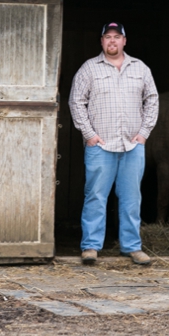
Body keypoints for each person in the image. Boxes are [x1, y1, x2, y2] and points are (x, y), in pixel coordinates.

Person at [68, 22, 159, 266]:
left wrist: (143, 133)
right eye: (107, 37)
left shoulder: (140, 68)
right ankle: (90, 246)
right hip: (100, 146)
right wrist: (89, 135)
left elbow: (152, 100)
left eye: (117, 37)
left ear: (124, 41)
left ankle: (132, 247)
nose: (112, 41)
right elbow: (76, 102)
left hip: (132, 146)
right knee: (96, 196)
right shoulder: (89, 69)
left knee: (131, 198)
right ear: (101, 41)